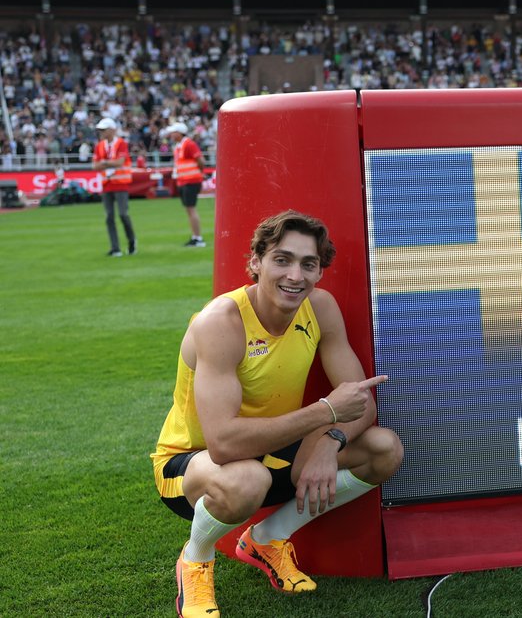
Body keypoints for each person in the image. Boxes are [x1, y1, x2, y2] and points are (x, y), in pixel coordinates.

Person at [150, 210, 404, 617]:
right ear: (256, 262)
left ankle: (267, 539)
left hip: (270, 452)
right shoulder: (221, 322)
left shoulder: (320, 307)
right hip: (192, 464)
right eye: (282, 260)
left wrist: (330, 442)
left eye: (308, 264)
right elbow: (223, 444)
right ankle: (195, 559)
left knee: (383, 448)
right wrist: (324, 413)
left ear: (320, 272)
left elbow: (359, 401)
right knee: (246, 478)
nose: (295, 276)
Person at [93, 117, 137, 256]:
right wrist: (109, 163)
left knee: (123, 214)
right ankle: (115, 247)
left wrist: (104, 163)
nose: (101, 133)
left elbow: (120, 162)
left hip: (121, 183)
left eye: (103, 130)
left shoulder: (121, 143)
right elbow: (95, 166)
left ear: (112, 130)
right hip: (107, 184)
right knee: (109, 217)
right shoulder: (100, 146)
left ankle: (131, 241)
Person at [163, 122, 207, 247]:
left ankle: (198, 238)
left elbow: (201, 160)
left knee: (191, 209)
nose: (171, 134)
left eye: (174, 132)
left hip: (190, 180)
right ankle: (195, 237)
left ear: (180, 133)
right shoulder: (179, 145)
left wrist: (199, 173)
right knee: (189, 209)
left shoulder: (189, 144)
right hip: (184, 181)